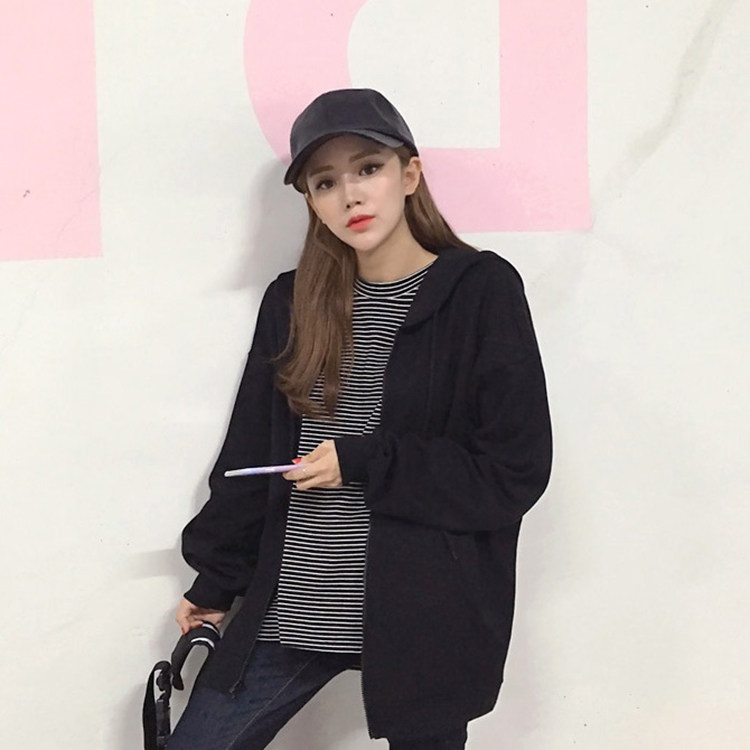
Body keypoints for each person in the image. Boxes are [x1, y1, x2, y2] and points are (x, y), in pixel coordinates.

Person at [167, 88, 552, 750]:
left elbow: (513, 469)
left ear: (410, 174)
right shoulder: (292, 302)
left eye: (368, 168)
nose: (350, 195)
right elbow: (250, 453)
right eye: (325, 182)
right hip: (294, 604)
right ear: (311, 202)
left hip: (426, 612)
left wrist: (367, 459)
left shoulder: (479, 291)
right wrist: (217, 580)